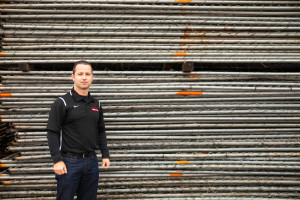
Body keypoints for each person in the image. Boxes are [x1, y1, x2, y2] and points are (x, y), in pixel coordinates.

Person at [47, 61, 110, 200]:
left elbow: (101, 131)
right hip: (69, 162)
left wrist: (105, 154)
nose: (84, 77)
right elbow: (52, 132)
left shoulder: (96, 104)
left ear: (92, 77)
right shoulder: (62, 102)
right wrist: (57, 160)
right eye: (80, 74)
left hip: (91, 161)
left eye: (87, 74)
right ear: (73, 77)